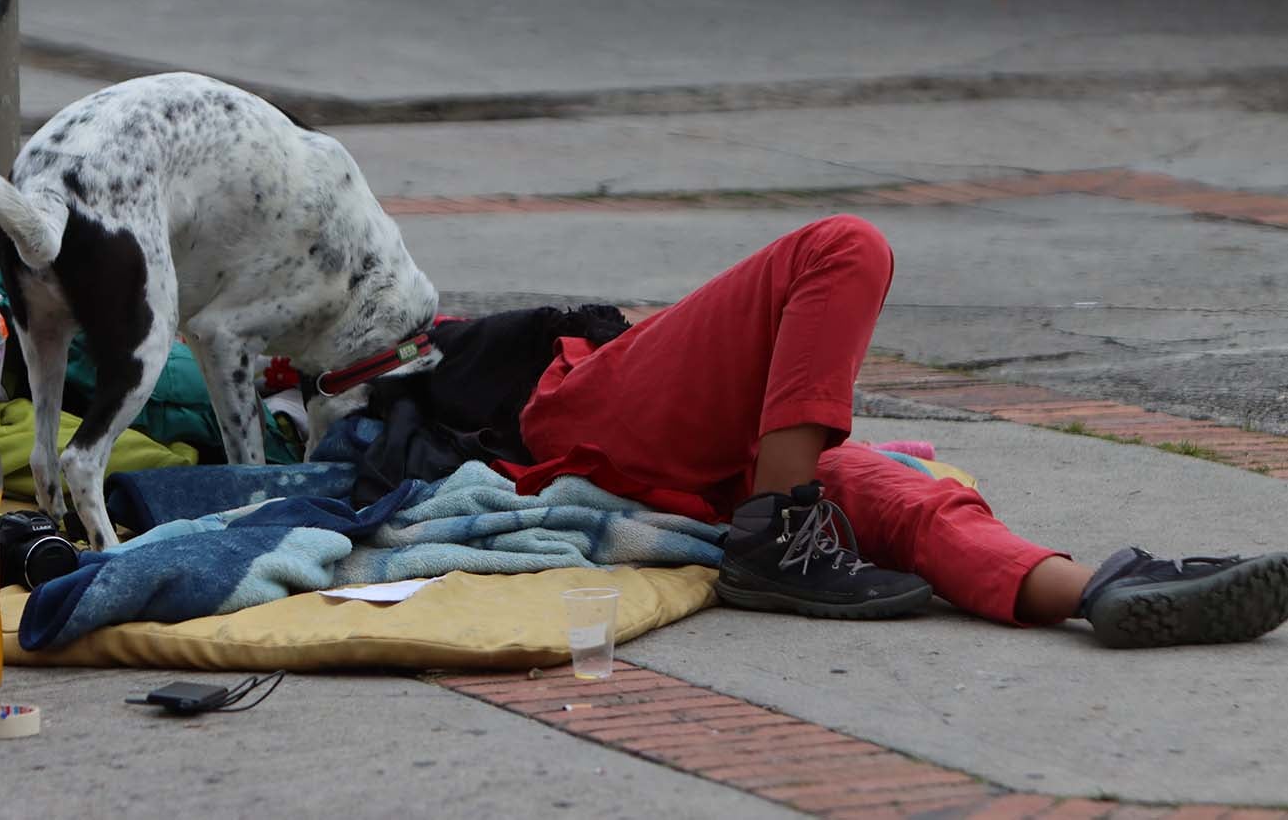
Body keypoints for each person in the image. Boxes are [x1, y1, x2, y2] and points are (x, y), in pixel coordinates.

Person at [511, 215, 1288, 648]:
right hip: (576, 415)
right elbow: (402, 344)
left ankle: (1099, 589)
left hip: (713, 479)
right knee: (841, 245)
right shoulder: (476, 355)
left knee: (913, 501)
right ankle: (781, 534)